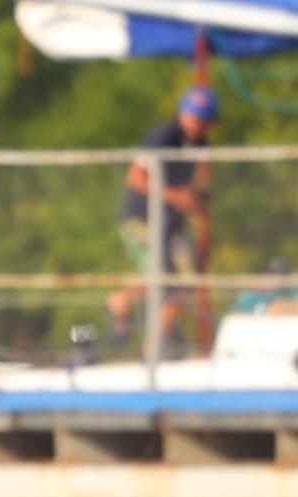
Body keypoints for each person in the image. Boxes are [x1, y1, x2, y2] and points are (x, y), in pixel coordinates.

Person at [107, 86, 218, 359]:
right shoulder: (163, 137)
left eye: (201, 118)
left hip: (171, 221)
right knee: (162, 276)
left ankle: (157, 340)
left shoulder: (200, 144)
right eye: (192, 116)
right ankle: (133, 325)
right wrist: (174, 195)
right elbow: (135, 177)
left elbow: (190, 190)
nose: (195, 123)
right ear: (182, 113)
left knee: (186, 279)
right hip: (141, 218)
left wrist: (198, 209)